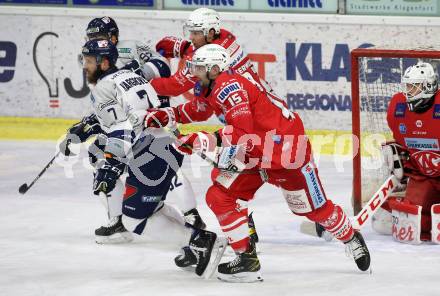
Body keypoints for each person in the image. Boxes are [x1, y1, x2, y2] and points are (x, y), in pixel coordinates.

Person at [145, 44, 371, 282]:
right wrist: (168, 115)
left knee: (312, 209)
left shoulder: (229, 87)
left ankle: (350, 236)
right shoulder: (212, 86)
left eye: (199, 68)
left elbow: (242, 132)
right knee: (219, 195)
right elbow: (198, 110)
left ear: (214, 68)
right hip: (255, 153)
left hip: (285, 152)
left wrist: (203, 139)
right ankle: (246, 259)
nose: (194, 72)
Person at [67, 39, 225, 277]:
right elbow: (134, 114)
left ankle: (201, 241)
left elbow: (123, 127)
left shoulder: (103, 87)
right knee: (154, 208)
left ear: (104, 62)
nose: (85, 66)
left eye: (89, 61)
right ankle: (190, 244)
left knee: (133, 220)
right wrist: (90, 125)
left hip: (150, 156)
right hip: (165, 146)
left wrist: (110, 166)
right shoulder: (131, 77)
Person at [59, 17, 206, 243]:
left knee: (161, 161)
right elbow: (110, 110)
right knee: (100, 156)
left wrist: (137, 70)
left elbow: (162, 66)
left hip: (151, 114)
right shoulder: (98, 63)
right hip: (130, 120)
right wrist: (89, 123)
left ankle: (191, 214)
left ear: (113, 37)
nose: (94, 41)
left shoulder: (130, 47)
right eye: (91, 37)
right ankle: (119, 220)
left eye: (98, 36)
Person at [373, 61, 440, 244]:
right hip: (423, 175)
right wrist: (396, 150)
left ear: (428, 85)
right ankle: (396, 198)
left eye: (414, 86)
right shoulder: (399, 108)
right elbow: (404, 141)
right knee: (406, 223)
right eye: (408, 86)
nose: (408, 91)